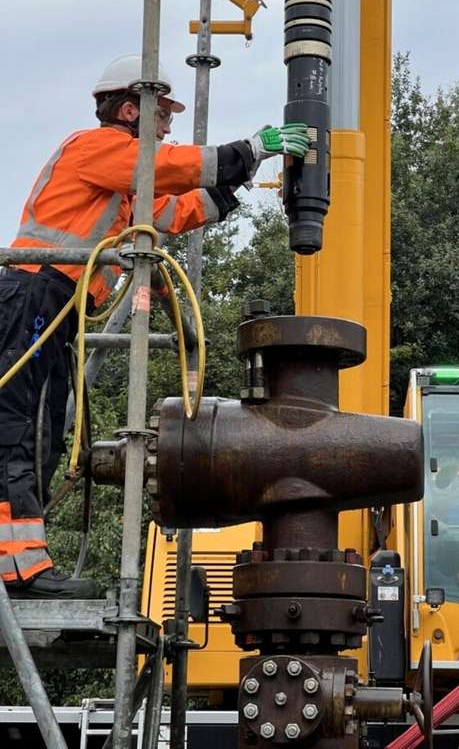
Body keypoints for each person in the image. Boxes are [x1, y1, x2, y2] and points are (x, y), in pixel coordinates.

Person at [0, 54, 310, 599]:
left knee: (45, 431)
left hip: (53, 302)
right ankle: (16, 571)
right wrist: (252, 147)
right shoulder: (93, 149)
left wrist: (249, 169)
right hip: (32, 293)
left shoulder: (120, 185)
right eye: (162, 113)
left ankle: (23, 566)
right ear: (127, 108)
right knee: (17, 428)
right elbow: (173, 168)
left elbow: (175, 211)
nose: (168, 125)